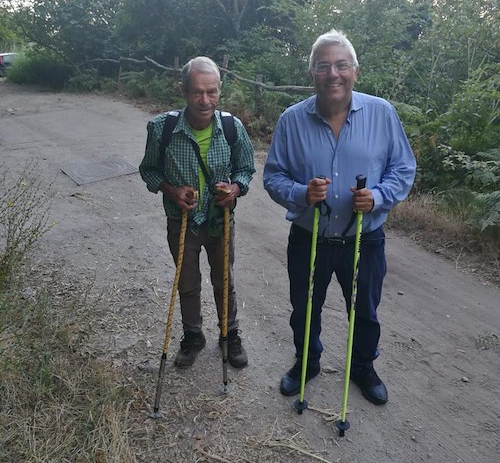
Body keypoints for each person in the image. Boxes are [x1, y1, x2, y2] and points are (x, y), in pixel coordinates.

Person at [263, 29, 416, 404]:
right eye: (324, 66)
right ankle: (307, 362)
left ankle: (363, 366)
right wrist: (301, 193)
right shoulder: (291, 120)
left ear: (355, 71)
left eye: (341, 65)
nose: (334, 74)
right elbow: (273, 176)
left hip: (365, 239)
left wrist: (378, 196)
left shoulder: (382, 113)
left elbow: (403, 168)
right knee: (305, 308)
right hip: (308, 237)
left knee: (365, 310)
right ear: (312, 74)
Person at [140, 56, 255, 369]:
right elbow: (148, 170)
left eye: (212, 92)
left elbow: (246, 168)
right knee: (187, 283)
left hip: (220, 222)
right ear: (183, 91)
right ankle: (193, 336)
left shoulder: (232, 127)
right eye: (197, 92)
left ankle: (229, 334)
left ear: (219, 91)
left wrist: (235, 188)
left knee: (224, 280)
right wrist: (172, 191)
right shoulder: (162, 128)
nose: (205, 100)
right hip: (182, 222)